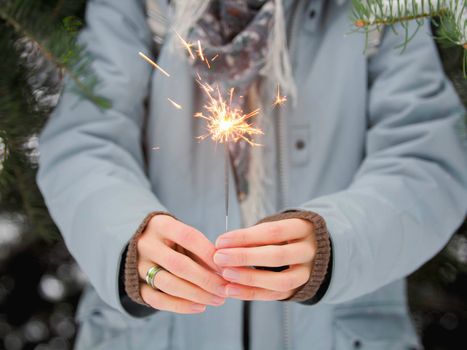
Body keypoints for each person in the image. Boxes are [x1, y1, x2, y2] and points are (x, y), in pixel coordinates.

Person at [37, 0, 467, 349]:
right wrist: (127, 241)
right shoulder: (136, 7)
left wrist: (340, 243)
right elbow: (83, 141)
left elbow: (426, 161)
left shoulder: (382, 10)